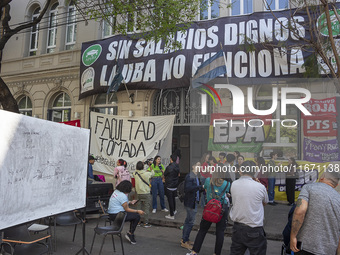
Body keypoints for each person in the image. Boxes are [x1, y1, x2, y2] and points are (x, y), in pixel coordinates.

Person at [290, 170, 340, 255]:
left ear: (322, 177)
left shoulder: (309, 188)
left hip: (305, 247)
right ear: (336, 185)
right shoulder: (338, 198)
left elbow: (300, 211)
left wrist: (293, 236)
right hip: (329, 251)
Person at [186, 171, 231, 255]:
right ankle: (216, 253)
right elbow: (227, 193)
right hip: (221, 210)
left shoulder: (208, 180)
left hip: (209, 209)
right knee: (220, 232)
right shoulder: (227, 184)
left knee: (202, 230)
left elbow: (206, 190)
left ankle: (194, 251)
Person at [229, 161, 269, 255]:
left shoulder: (234, 184)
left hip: (237, 227)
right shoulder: (260, 187)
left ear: (240, 171)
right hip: (254, 228)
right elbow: (265, 202)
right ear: (254, 172)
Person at [107, 180, 145, 244]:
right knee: (137, 216)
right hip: (117, 216)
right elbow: (127, 209)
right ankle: (130, 233)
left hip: (111, 213)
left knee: (133, 215)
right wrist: (138, 211)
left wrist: (130, 202)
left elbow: (121, 202)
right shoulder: (122, 196)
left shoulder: (116, 192)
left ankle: (130, 232)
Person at [181, 162, 204, 250]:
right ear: (193, 166)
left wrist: (202, 188)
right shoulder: (190, 176)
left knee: (188, 221)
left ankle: (185, 239)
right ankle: (184, 241)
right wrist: (199, 186)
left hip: (193, 201)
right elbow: (188, 189)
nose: (199, 167)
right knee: (190, 222)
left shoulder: (195, 176)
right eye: (197, 165)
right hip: (190, 202)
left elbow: (196, 189)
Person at [133, 161, 154, 228]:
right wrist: (150, 165)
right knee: (146, 208)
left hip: (138, 193)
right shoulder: (147, 174)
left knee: (138, 207)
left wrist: (142, 163)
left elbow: (137, 169)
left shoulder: (135, 173)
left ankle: (138, 222)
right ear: (143, 167)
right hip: (146, 193)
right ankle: (146, 223)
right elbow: (153, 173)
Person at [164, 154, 180, 220]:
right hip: (175, 185)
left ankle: (171, 214)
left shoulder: (169, 167)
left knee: (170, 200)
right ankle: (174, 210)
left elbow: (165, 174)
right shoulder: (177, 166)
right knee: (173, 199)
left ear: (171, 159)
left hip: (169, 185)